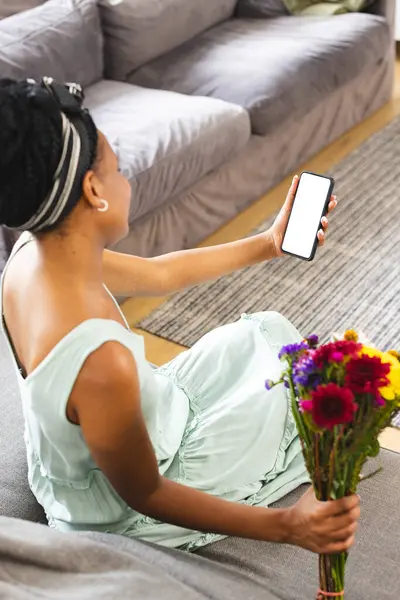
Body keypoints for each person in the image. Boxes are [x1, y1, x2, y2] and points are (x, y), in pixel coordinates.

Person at [0, 78, 360, 552]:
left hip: (109, 442)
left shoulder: (33, 251)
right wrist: (289, 525)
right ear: (94, 190)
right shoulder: (100, 363)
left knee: (268, 332)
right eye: (120, 171)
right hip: (128, 507)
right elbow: (148, 494)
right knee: (306, 388)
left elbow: (159, 273)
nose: (127, 181)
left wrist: (268, 243)